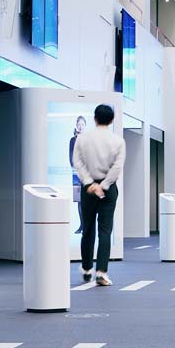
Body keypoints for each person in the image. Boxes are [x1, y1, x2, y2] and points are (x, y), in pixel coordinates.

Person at [70, 104, 125, 285]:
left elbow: (77, 162)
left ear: (94, 118)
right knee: (105, 231)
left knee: (88, 229)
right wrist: (104, 185)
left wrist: (90, 183)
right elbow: (117, 167)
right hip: (108, 191)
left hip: (88, 189)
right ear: (111, 120)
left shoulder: (83, 139)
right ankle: (101, 272)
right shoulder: (118, 141)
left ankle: (87, 268)